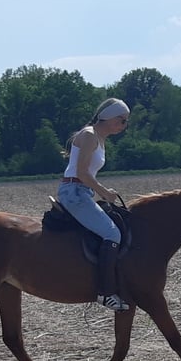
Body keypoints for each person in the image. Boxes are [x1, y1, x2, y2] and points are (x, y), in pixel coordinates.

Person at [57, 98, 131, 311]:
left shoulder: (97, 137)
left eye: (125, 121)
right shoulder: (89, 136)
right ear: (109, 117)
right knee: (112, 234)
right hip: (75, 192)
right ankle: (105, 292)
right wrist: (104, 192)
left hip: (81, 191)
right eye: (122, 120)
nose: (124, 125)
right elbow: (81, 173)